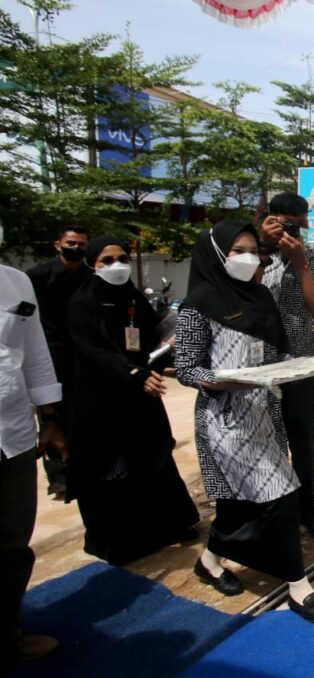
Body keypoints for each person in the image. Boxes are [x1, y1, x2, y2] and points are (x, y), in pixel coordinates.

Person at [175, 220, 314, 623]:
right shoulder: (197, 304)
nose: (248, 259)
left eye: (252, 251)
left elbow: (274, 353)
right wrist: (224, 381)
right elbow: (186, 367)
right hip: (225, 419)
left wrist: (300, 365)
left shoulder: (260, 296)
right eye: (237, 251)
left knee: (238, 498)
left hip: (264, 411)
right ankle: (298, 584)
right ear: (216, 255)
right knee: (280, 492)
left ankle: (210, 560)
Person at [65, 236, 199, 566]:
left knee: (154, 457)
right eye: (107, 260)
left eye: (122, 258)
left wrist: (166, 345)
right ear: (92, 264)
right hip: (103, 401)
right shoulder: (83, 302)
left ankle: (171, 524)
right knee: (114, 469)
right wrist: (133, 373)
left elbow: (150, 337)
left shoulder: (133, 298)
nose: (117, 266)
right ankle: (122, 541)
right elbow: (94, 351)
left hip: (140, 395)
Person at [0, 238, 66, 667]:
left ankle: (9, 632)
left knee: (11, 542)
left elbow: (36, 356)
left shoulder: (15, 283)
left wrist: (50, 418)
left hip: (13, 436)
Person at [258, 193, 314, 541]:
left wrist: (300, 264)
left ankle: (308, 511)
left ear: (304, 224)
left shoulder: (313, 261)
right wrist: (262, 247)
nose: (288, 230)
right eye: (282, 222)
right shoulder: (254, 257)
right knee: (265, 443)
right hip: (258, 367)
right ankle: (274, 514)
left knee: (303, 443)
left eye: (295, 224)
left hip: (299, 364)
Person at [26, 225, 91, 496]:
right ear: (58, 245)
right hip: (49, 354)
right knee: (51, 411)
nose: (76, 248)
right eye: (71, 243)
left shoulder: (91, 277)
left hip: (83, 354)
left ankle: (82, 464)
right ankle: (57, 474)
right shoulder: (37, 277)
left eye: (81, 244)